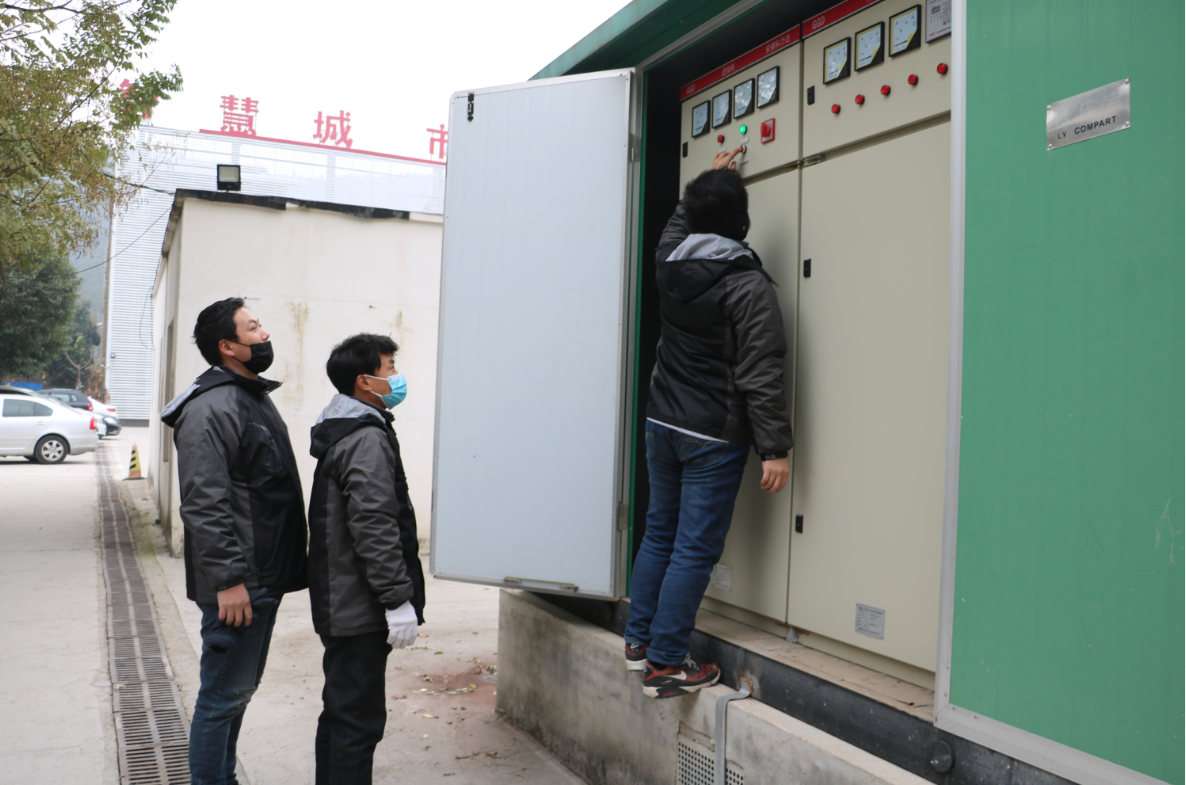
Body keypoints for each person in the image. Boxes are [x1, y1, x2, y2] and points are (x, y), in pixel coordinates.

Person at [626, 149, 794, 699]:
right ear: (741, 222)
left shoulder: (669, 261)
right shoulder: (746, 284)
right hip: (711, 435)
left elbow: (677, 227)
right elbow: (761, 369)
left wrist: (707, 186)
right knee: (694, 549)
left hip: (662, 422)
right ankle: (666, 665)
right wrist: (774, 448)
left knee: (660, 533)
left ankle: (639, 643)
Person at [161, 297, 308, 784]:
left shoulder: (248, 396)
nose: (265, 334)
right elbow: (204, 503)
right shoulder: (212, 407)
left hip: (260, 578)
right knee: (221, 699)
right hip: (241, 583)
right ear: (227, 346)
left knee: (235, 695)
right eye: (253, 327)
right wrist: (228, 581)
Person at [307, 333, 426, 784]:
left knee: (342, 713)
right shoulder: (365, 437)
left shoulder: (348, 427)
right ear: (364, 381)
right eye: (389, 368)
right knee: (357, 721)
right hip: (358, 606)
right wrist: (396, 599)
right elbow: (374, 523)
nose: (397, 377)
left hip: (344, 599)